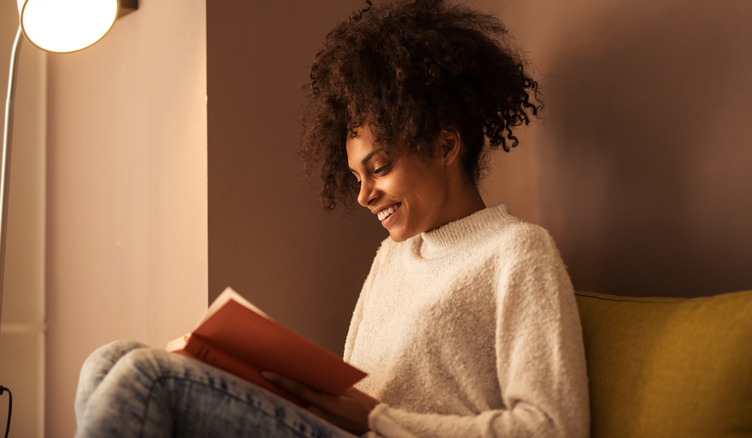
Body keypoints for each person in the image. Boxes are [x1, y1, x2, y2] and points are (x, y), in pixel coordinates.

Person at [74, 0, 589, 436]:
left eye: (379, 168)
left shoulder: (516, 252)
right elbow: (349, 401)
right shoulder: (393, 256)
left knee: (146, 377)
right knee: (109, 359)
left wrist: (380, 417)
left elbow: (550, 426)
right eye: (355, 176)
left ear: (445, 144)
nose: (364, 196)